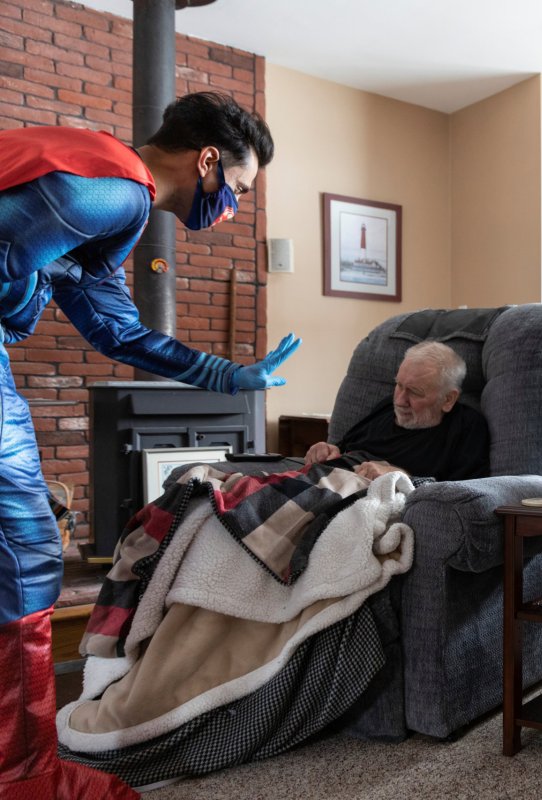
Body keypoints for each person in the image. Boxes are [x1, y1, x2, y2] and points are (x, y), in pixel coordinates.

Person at [0, 92, 300, 798]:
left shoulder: (105, 197)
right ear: (206, 161)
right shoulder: (114, 190)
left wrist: (232, 376)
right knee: (26, 548)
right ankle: (26, 777)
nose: (231, 207)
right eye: (239, 189)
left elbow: (119, 335)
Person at [305, 341, 489, 482]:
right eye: (399, 385)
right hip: (329, 472)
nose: (400, 400)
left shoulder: (467, 428)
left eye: (415, 392)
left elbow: (461, 494)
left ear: (448, 399)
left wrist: (401, 476)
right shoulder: (385, 407)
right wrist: (328, 449)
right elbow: (344, 448)